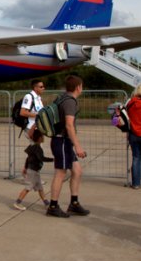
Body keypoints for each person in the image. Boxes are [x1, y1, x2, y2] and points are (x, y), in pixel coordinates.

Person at [46, 75, 89, 218]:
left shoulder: (61, 98)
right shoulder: (70, 102)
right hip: (62, 141)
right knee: (60, 173)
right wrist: (78, 146)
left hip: (64, 141)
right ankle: (53, 206)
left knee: (77, 171)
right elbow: (69, 125)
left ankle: (74, 203)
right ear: (78, 87)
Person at [12, 126, 52, 210]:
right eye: (42, 136)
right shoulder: (37, 148)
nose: (43, 138)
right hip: (33, 172)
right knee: (28, 188)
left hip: (34, 171)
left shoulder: (32, 146)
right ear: (39, 138)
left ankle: (46, 203)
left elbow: (28, 158)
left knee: (40, 188)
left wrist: (25, 167)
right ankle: (17, 202)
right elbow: (42, 158)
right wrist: (53, 159)